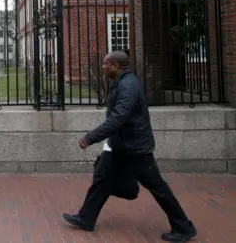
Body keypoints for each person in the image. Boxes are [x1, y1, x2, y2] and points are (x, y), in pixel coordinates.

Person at [62, 51, 197, 243]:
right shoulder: (122, 82)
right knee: (101, 178)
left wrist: (91, 137)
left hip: (135, 148)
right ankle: (86, 218)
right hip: (120, 145)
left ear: (116, 66)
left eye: (105, 64)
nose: (102, 67)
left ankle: (183, 227)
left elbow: (118, 119)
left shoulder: (128, 87)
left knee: (158, 188)